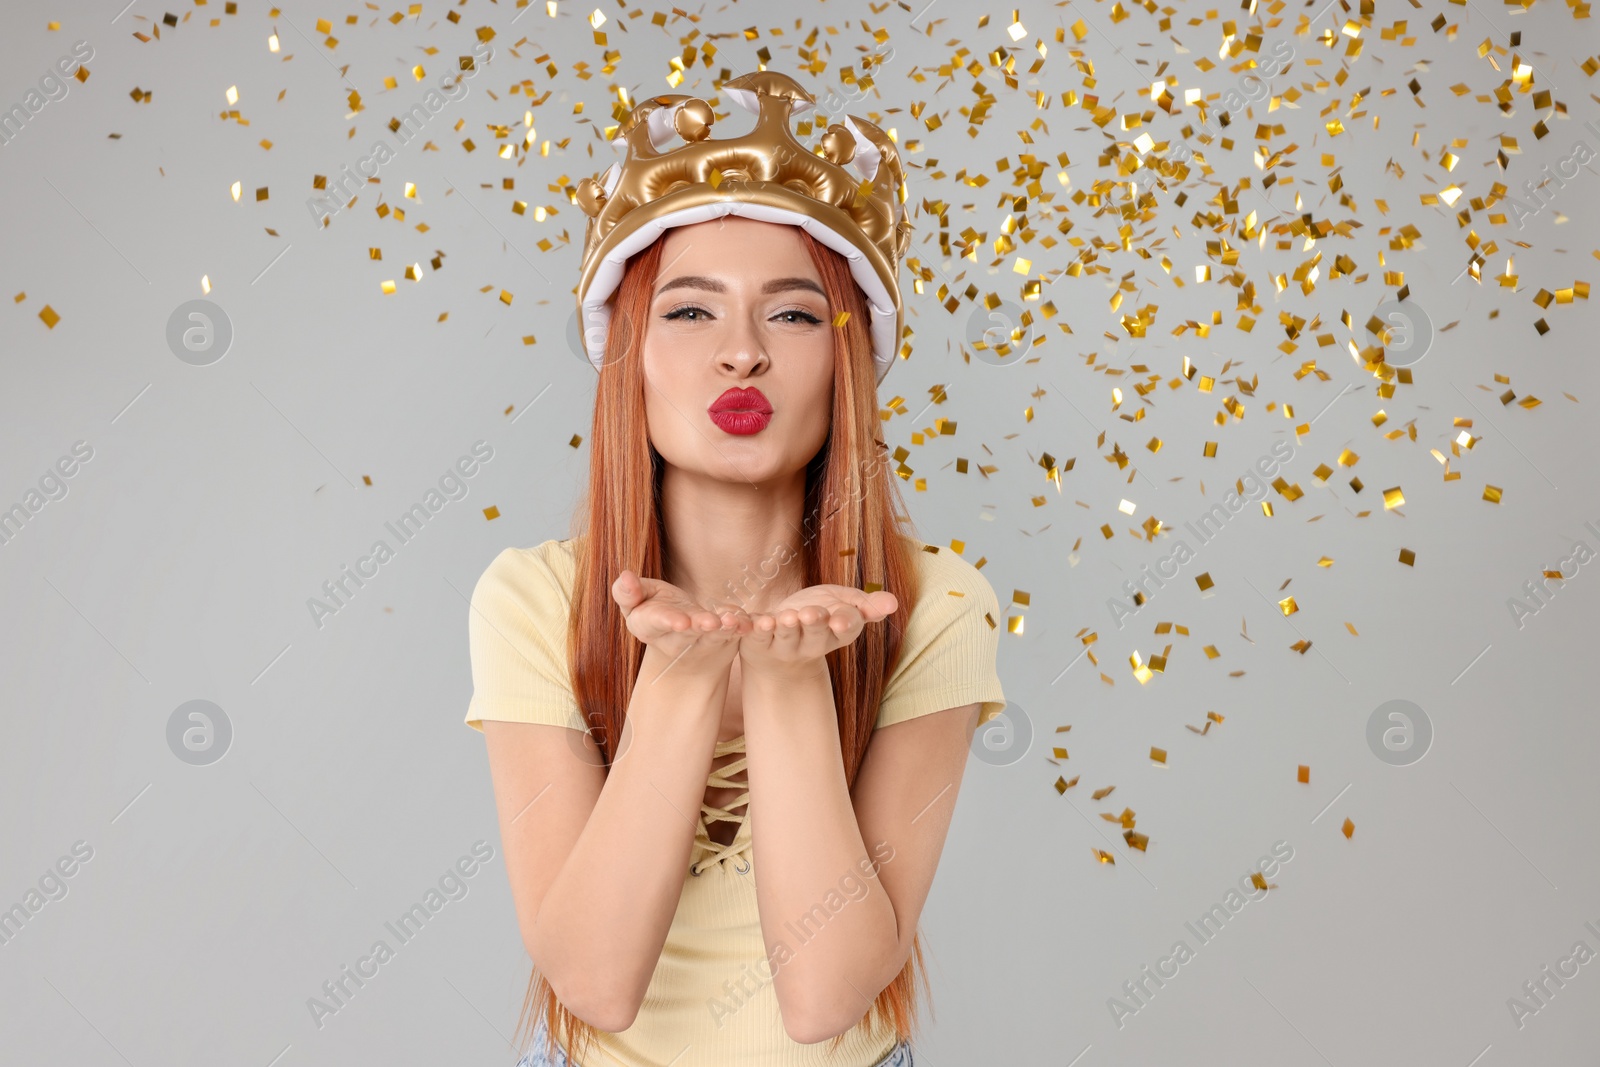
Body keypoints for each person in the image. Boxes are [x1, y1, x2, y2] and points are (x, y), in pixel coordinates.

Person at [464, 70, 1006, 1067]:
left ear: (847, 361)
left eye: (795, 316)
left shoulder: (938, 603)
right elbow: (591, 979)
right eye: (689, 313)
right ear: (628, 352)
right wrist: (678, 675)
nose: (742, 354)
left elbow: (825, 995)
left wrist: (790, 677)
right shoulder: (532, 598)